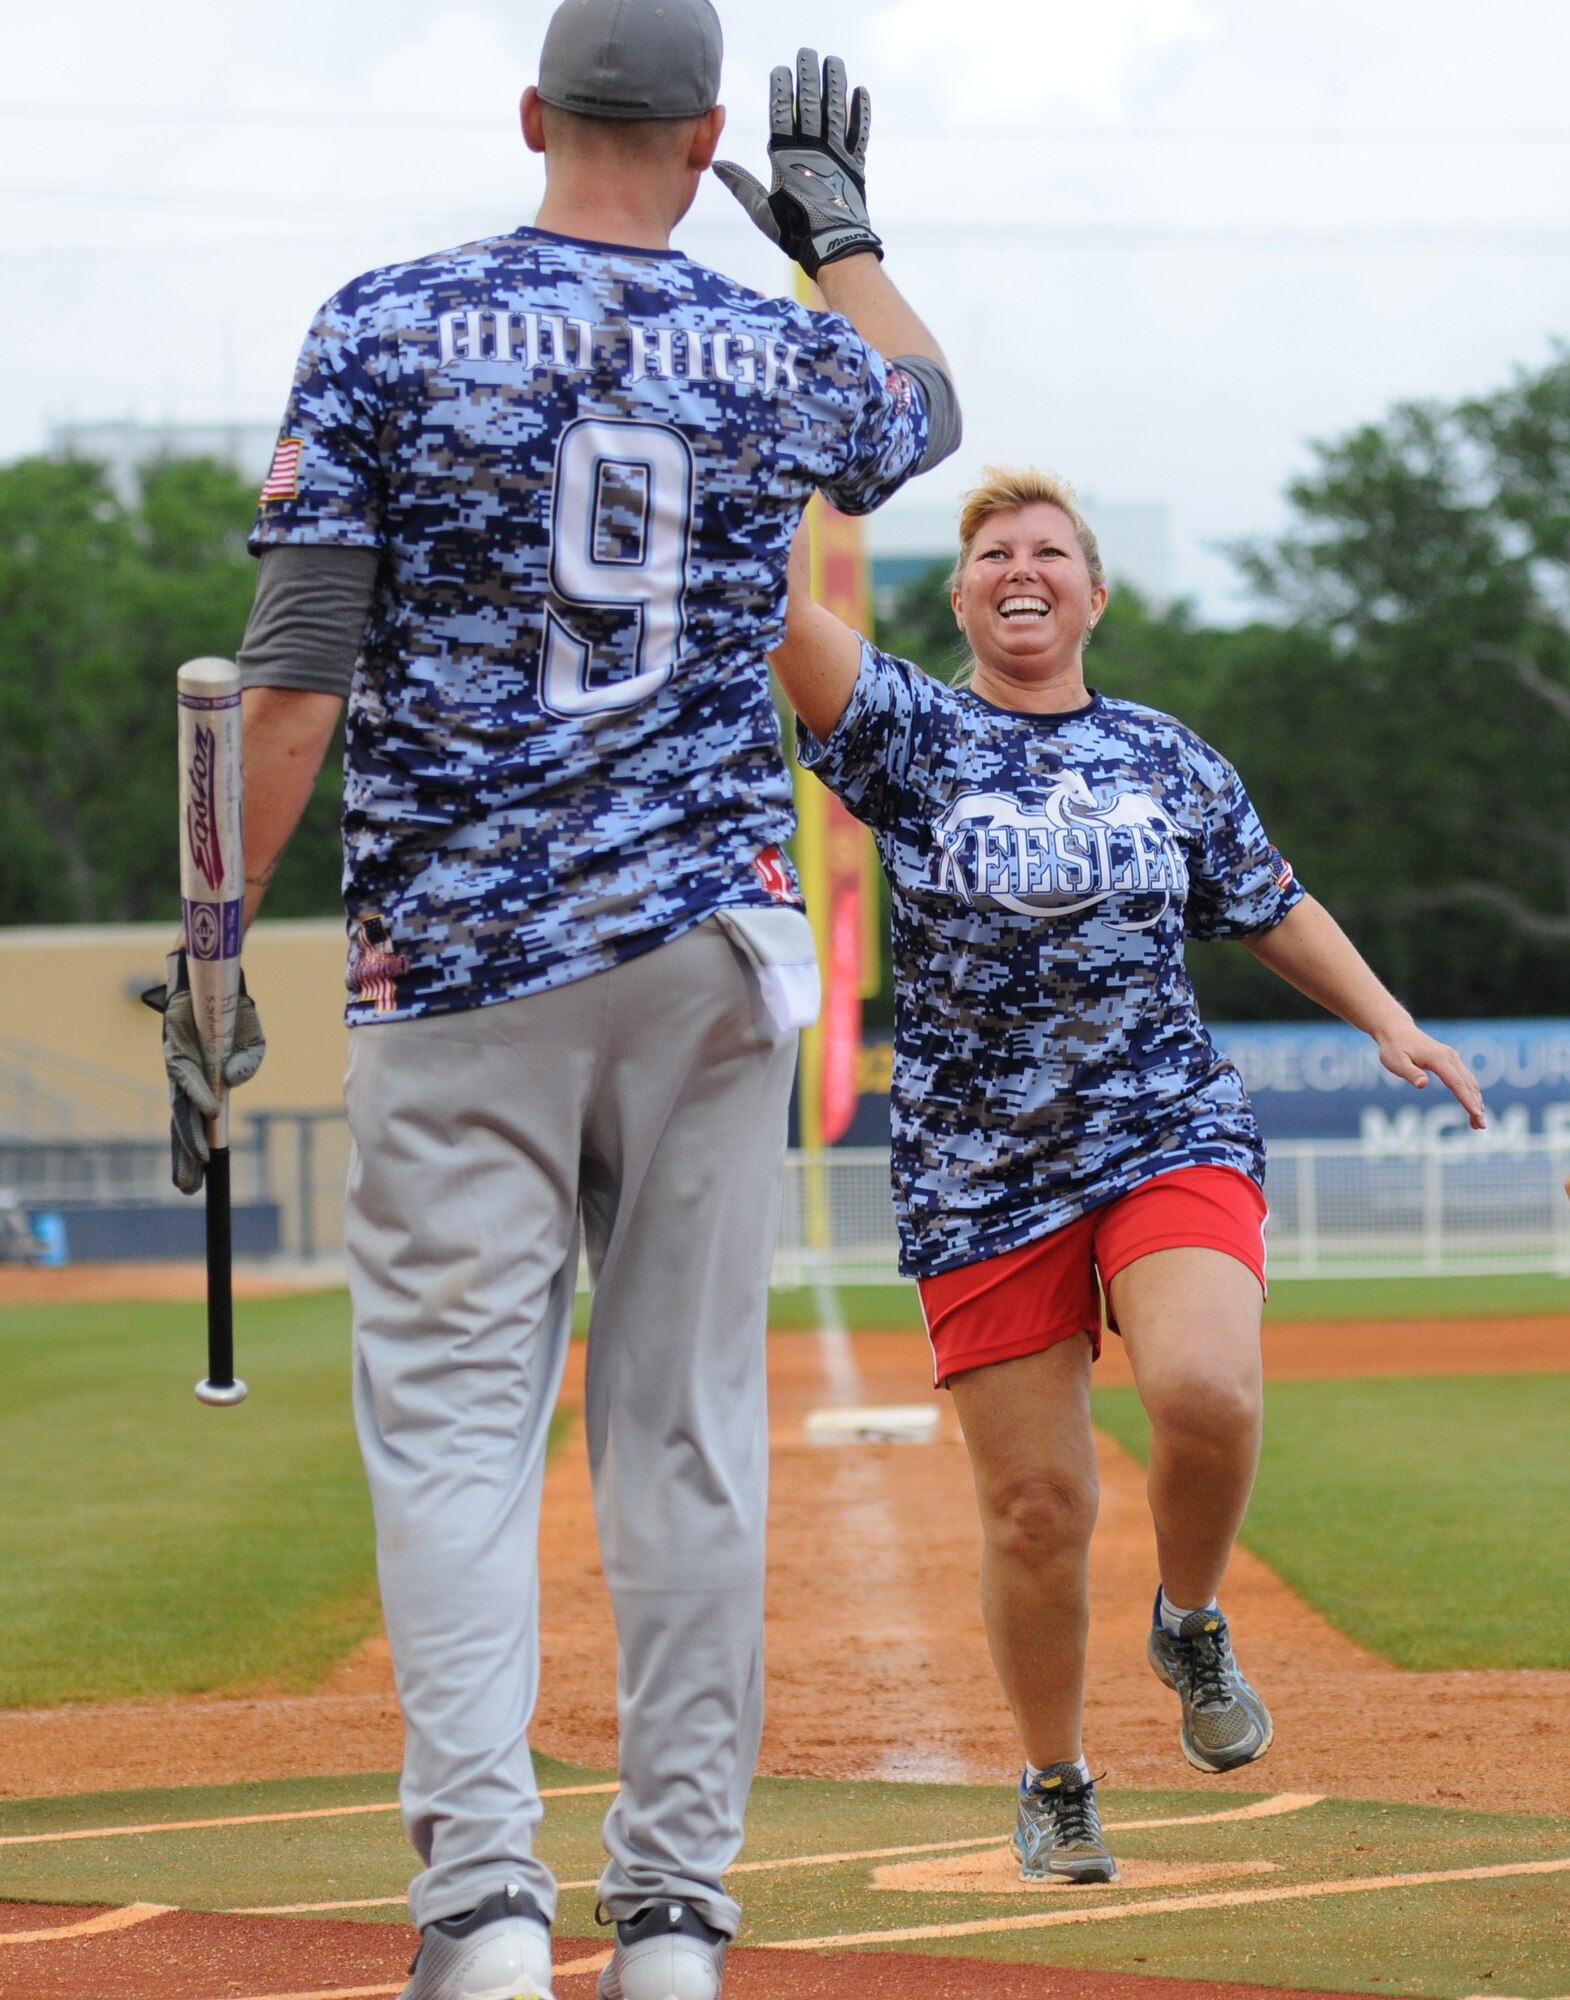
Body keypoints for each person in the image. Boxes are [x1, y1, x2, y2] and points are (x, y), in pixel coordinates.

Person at [155, 10, 962, 1999]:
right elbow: (921, 406)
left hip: (459, 957)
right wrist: (834, 230)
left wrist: (206, 950)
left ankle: (487, 1916)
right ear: (703, 139)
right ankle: (675, 1917)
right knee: (680, 1442)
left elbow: (292, 682)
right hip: (707, 954)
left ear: (530, 115)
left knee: (450, 1439)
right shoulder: (777, 344)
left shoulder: (384, 321)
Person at [769, 466, 1485, 1887]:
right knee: (1036, 1507)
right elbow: (777, 614)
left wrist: (1389, 1022)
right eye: (989, 553)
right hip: (979, 1167)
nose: (1017, 568)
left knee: (1203, 1389)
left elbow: (1266, 901)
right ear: (960, 593)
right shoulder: (913, 731)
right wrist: (744, 467)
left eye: (1048, 551)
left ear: (1093, 593)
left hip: (1163, 1125)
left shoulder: (1168, 755)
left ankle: (1191, 1615)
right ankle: (1056, 1780)